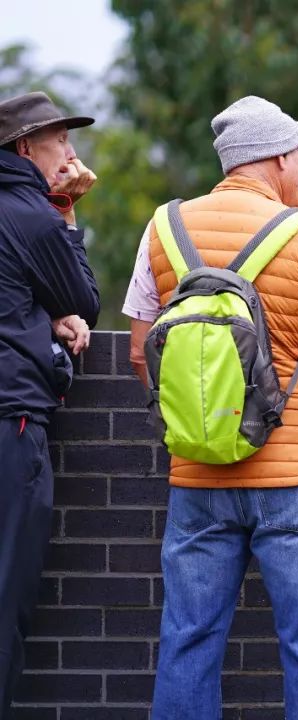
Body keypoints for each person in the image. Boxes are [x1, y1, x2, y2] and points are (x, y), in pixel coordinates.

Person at [123, 96, 298, 720]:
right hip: (297, 481)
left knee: (188, 639)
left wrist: (196, 426)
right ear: (281, 158)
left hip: (198, 476)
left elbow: (138, 355)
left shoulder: (163, 229)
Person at [0, 91, 99, 716]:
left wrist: (41, 312)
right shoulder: (32, 215)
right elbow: (85, 298)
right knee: (6, 597)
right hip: (12, 424)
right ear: (22, 150)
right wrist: (64, 205)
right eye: (58, 140)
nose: (69, 151)